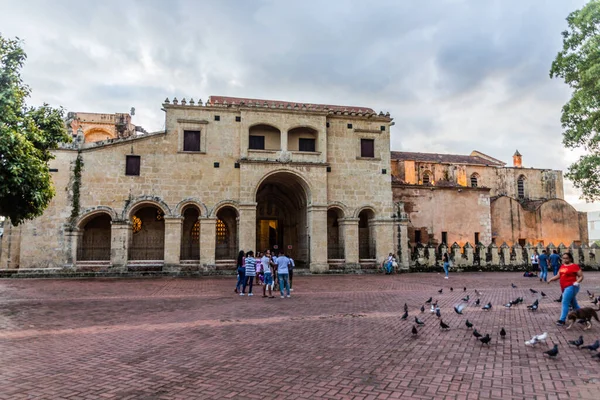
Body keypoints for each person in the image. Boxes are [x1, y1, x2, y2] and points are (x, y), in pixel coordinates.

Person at [547, 252, 584, 326]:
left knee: (564, 302)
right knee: (574, 304)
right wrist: (551, 279)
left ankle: (562, 320)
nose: (565, 259)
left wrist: (577, 282)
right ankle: (584, 317)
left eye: (566, 258)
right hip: (564, 287)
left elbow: (581, 276)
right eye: (563, 258)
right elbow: (558, 275)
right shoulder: (562, 266)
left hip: (572, 287)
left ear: (570, 258)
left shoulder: (574, 266)